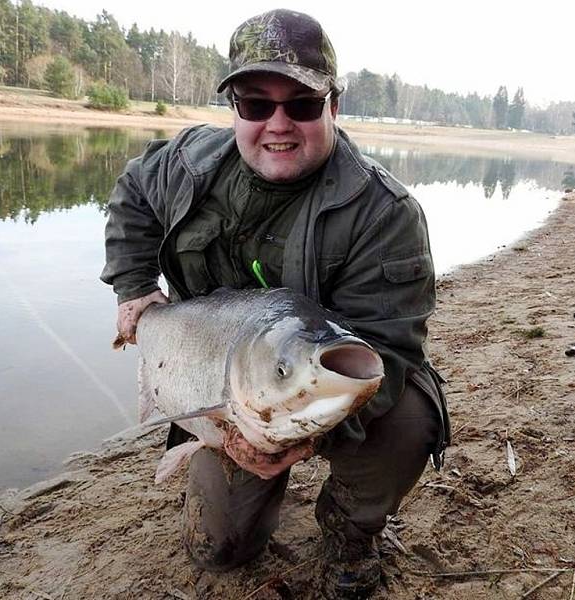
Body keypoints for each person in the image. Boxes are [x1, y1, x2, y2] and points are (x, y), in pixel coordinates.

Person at [101, 9, 450, 599]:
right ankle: (240, 480)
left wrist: (302, 436)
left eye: (303, 105)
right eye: (256, 104)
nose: (278, 124)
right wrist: (135, 287)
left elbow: (387, 348)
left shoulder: (385, 212)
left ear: (333, 106)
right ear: (236, 109)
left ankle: (349, 532)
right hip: (222, 374)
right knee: (220, 551)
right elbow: (132, 191)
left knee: (411, 415)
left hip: (313, 381)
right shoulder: (188, 164)